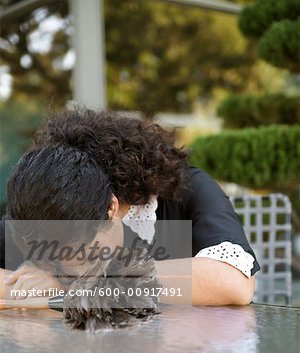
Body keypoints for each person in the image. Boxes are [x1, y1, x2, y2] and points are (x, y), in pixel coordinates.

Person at [0, 107, 260, 306]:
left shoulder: (189, 189)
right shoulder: (43, 208)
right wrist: (21, 284)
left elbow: (234, 282)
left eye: (77, 254)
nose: (65, 267)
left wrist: (72, 284)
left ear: (110, 207)